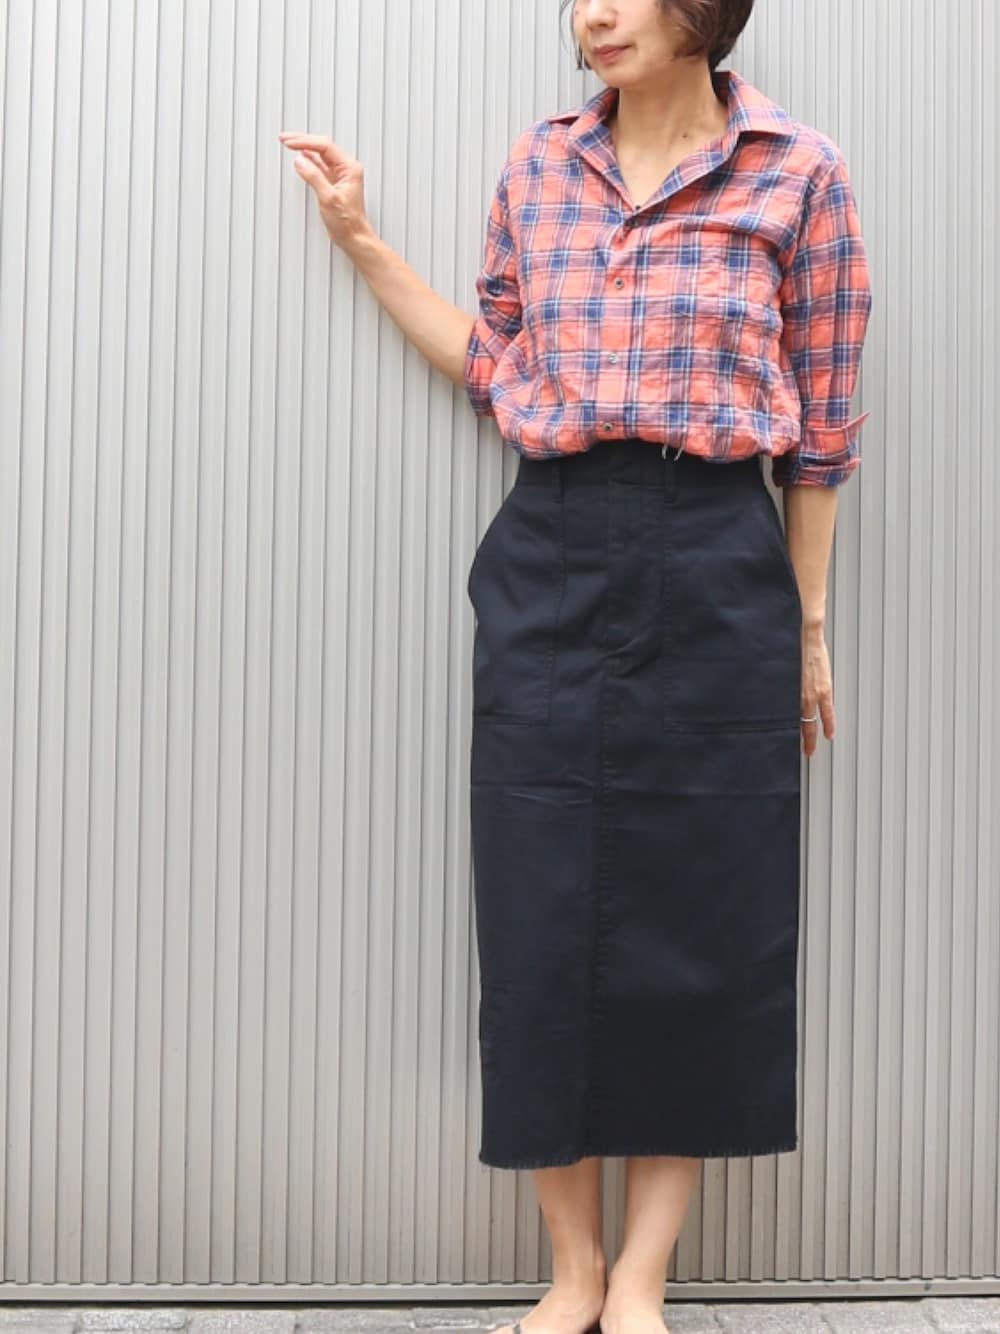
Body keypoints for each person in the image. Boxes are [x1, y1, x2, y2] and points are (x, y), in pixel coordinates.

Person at [278, 1, 873, 1331]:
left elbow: (826, 427)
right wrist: (364, 240)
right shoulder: (540, 164)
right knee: (539, 899)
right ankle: (575, 1270)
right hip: (550, 547)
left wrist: (808, 624)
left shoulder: (800, 174)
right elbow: (495, 365)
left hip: (718, 553)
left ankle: (645, 1276)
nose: (593, 13)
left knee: (704, 910)